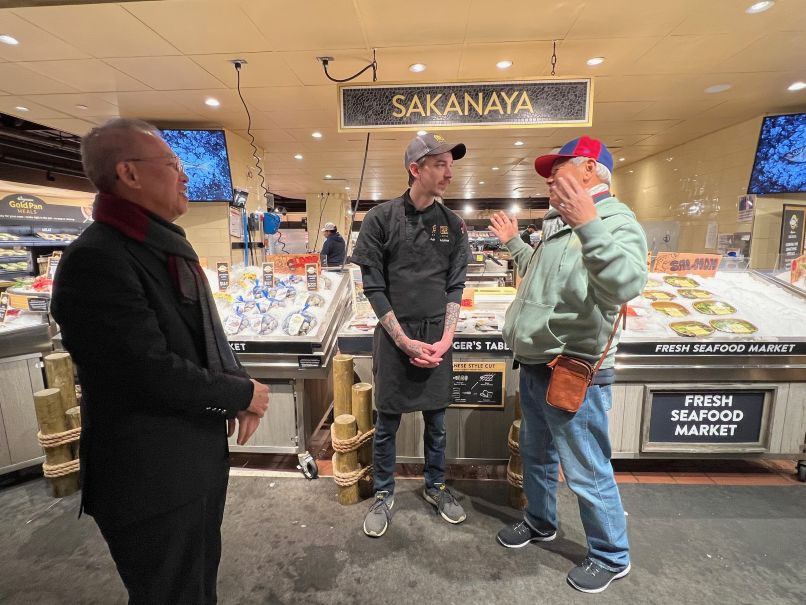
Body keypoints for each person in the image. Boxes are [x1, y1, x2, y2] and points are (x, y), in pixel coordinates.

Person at [50, 118, 270, 605]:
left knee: (196, 586)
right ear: (128, 173)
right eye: (172, 164)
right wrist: (241, 392)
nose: (185, 176)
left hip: (189, 465)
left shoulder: (158, 246)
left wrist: (235, 382)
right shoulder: (98, 258)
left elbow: (193, 340)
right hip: (150, 479)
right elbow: (147, 371)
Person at [488, 136, 647, 594]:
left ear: (589, 170)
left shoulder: (614, 221)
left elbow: (626, 283)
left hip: (574, 370)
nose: (549, 180)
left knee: (586, 467)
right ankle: (540, 522)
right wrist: (514, 243)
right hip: (537, 363)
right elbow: (544, 278)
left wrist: (589, 224)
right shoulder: (558, 225)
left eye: (558, 170)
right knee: (536, 454)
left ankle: (611, 555)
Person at [351, 132, 469, 538]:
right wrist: (403, 341)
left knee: (437, 423)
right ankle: (384, 492)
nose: (449, 173)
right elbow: (373, 288)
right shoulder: (380, 219)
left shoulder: (453, 225)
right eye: (440, 165)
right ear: (415, 169)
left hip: (437, 338)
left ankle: (435, 486)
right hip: (394, 338)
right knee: (387, 423)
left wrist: (446, 339)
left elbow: (455, 286)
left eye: (450, 165)